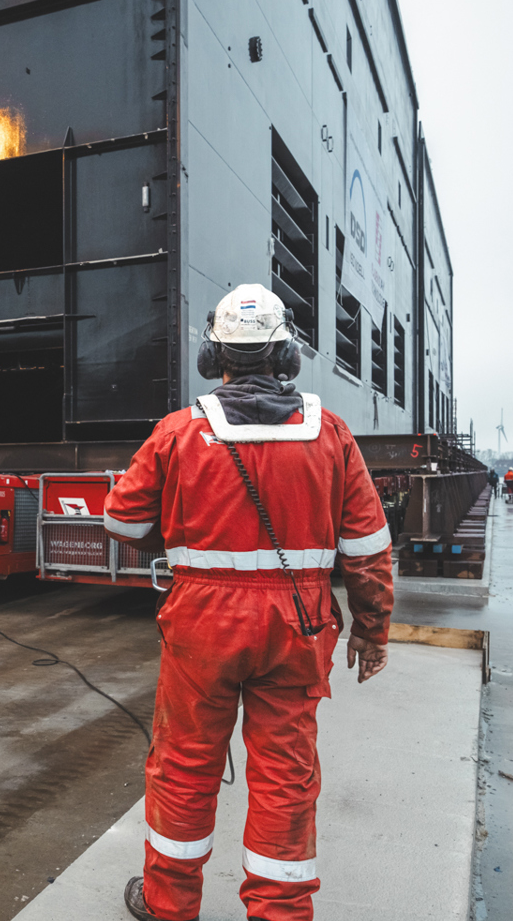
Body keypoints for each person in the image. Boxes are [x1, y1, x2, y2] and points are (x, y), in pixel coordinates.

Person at [102, 284, 395, 921]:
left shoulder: (179, 432)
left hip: (203, 627)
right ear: (286, 355)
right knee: (286, 775)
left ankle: (168, 905)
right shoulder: (332, 436)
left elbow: (122, 524)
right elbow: (369, 546)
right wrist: (372, 631)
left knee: (183, 766)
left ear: (215, 356)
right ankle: (280, 912)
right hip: (299, 624)